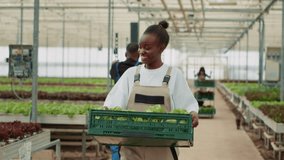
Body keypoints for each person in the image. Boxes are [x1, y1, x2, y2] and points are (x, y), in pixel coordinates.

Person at [104, 20, 199, 160]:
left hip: (163, 148)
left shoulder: (174, 75)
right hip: (132, 147)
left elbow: (187, 103)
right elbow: (113, 103)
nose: (142, 51)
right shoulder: (131, 74)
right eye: (140, 47)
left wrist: (192, 113)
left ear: (162, 47)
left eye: (147, 47)